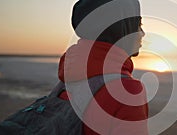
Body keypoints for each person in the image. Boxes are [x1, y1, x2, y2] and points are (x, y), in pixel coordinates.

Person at [58, 0, 148, 134]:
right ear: (122, 29)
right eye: (138, 25)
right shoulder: (128, 91)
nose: (143, 33)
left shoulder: (68, 75)